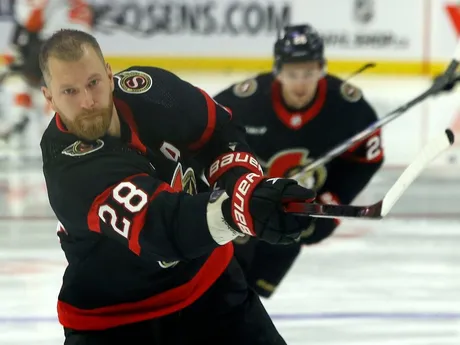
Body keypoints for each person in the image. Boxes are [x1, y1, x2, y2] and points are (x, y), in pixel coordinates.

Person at [39, 29, 317, 345]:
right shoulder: (69, 167)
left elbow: (218, 132)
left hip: (212, 289)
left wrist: (246, 185)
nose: (87, 101)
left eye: (93, 83)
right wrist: (240, 210)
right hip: (116, 322)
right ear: (49, 98)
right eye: (70, 92)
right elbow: (164, 229)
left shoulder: (153, 91)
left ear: (109, 74)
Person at [213, 24, 384, 298]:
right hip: (243, 205)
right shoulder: (246, 102)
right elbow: (205, 139)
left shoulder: (347, 108)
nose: (301, 83)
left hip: (293, 214)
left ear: (322, 68)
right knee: (217, 290)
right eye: (292, 74)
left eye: (309, 73)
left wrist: (331, 202)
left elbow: (366, 159)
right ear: (278, 70)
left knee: (252, 296)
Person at [0, 0, 93, 147]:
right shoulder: (79, 5)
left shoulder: (47, 5)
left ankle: (47, 132)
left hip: (51, 45)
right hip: (78, 50)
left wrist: (14, 54)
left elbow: (31, 23)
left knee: (32, 86)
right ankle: (62, 135)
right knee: (56, 92)